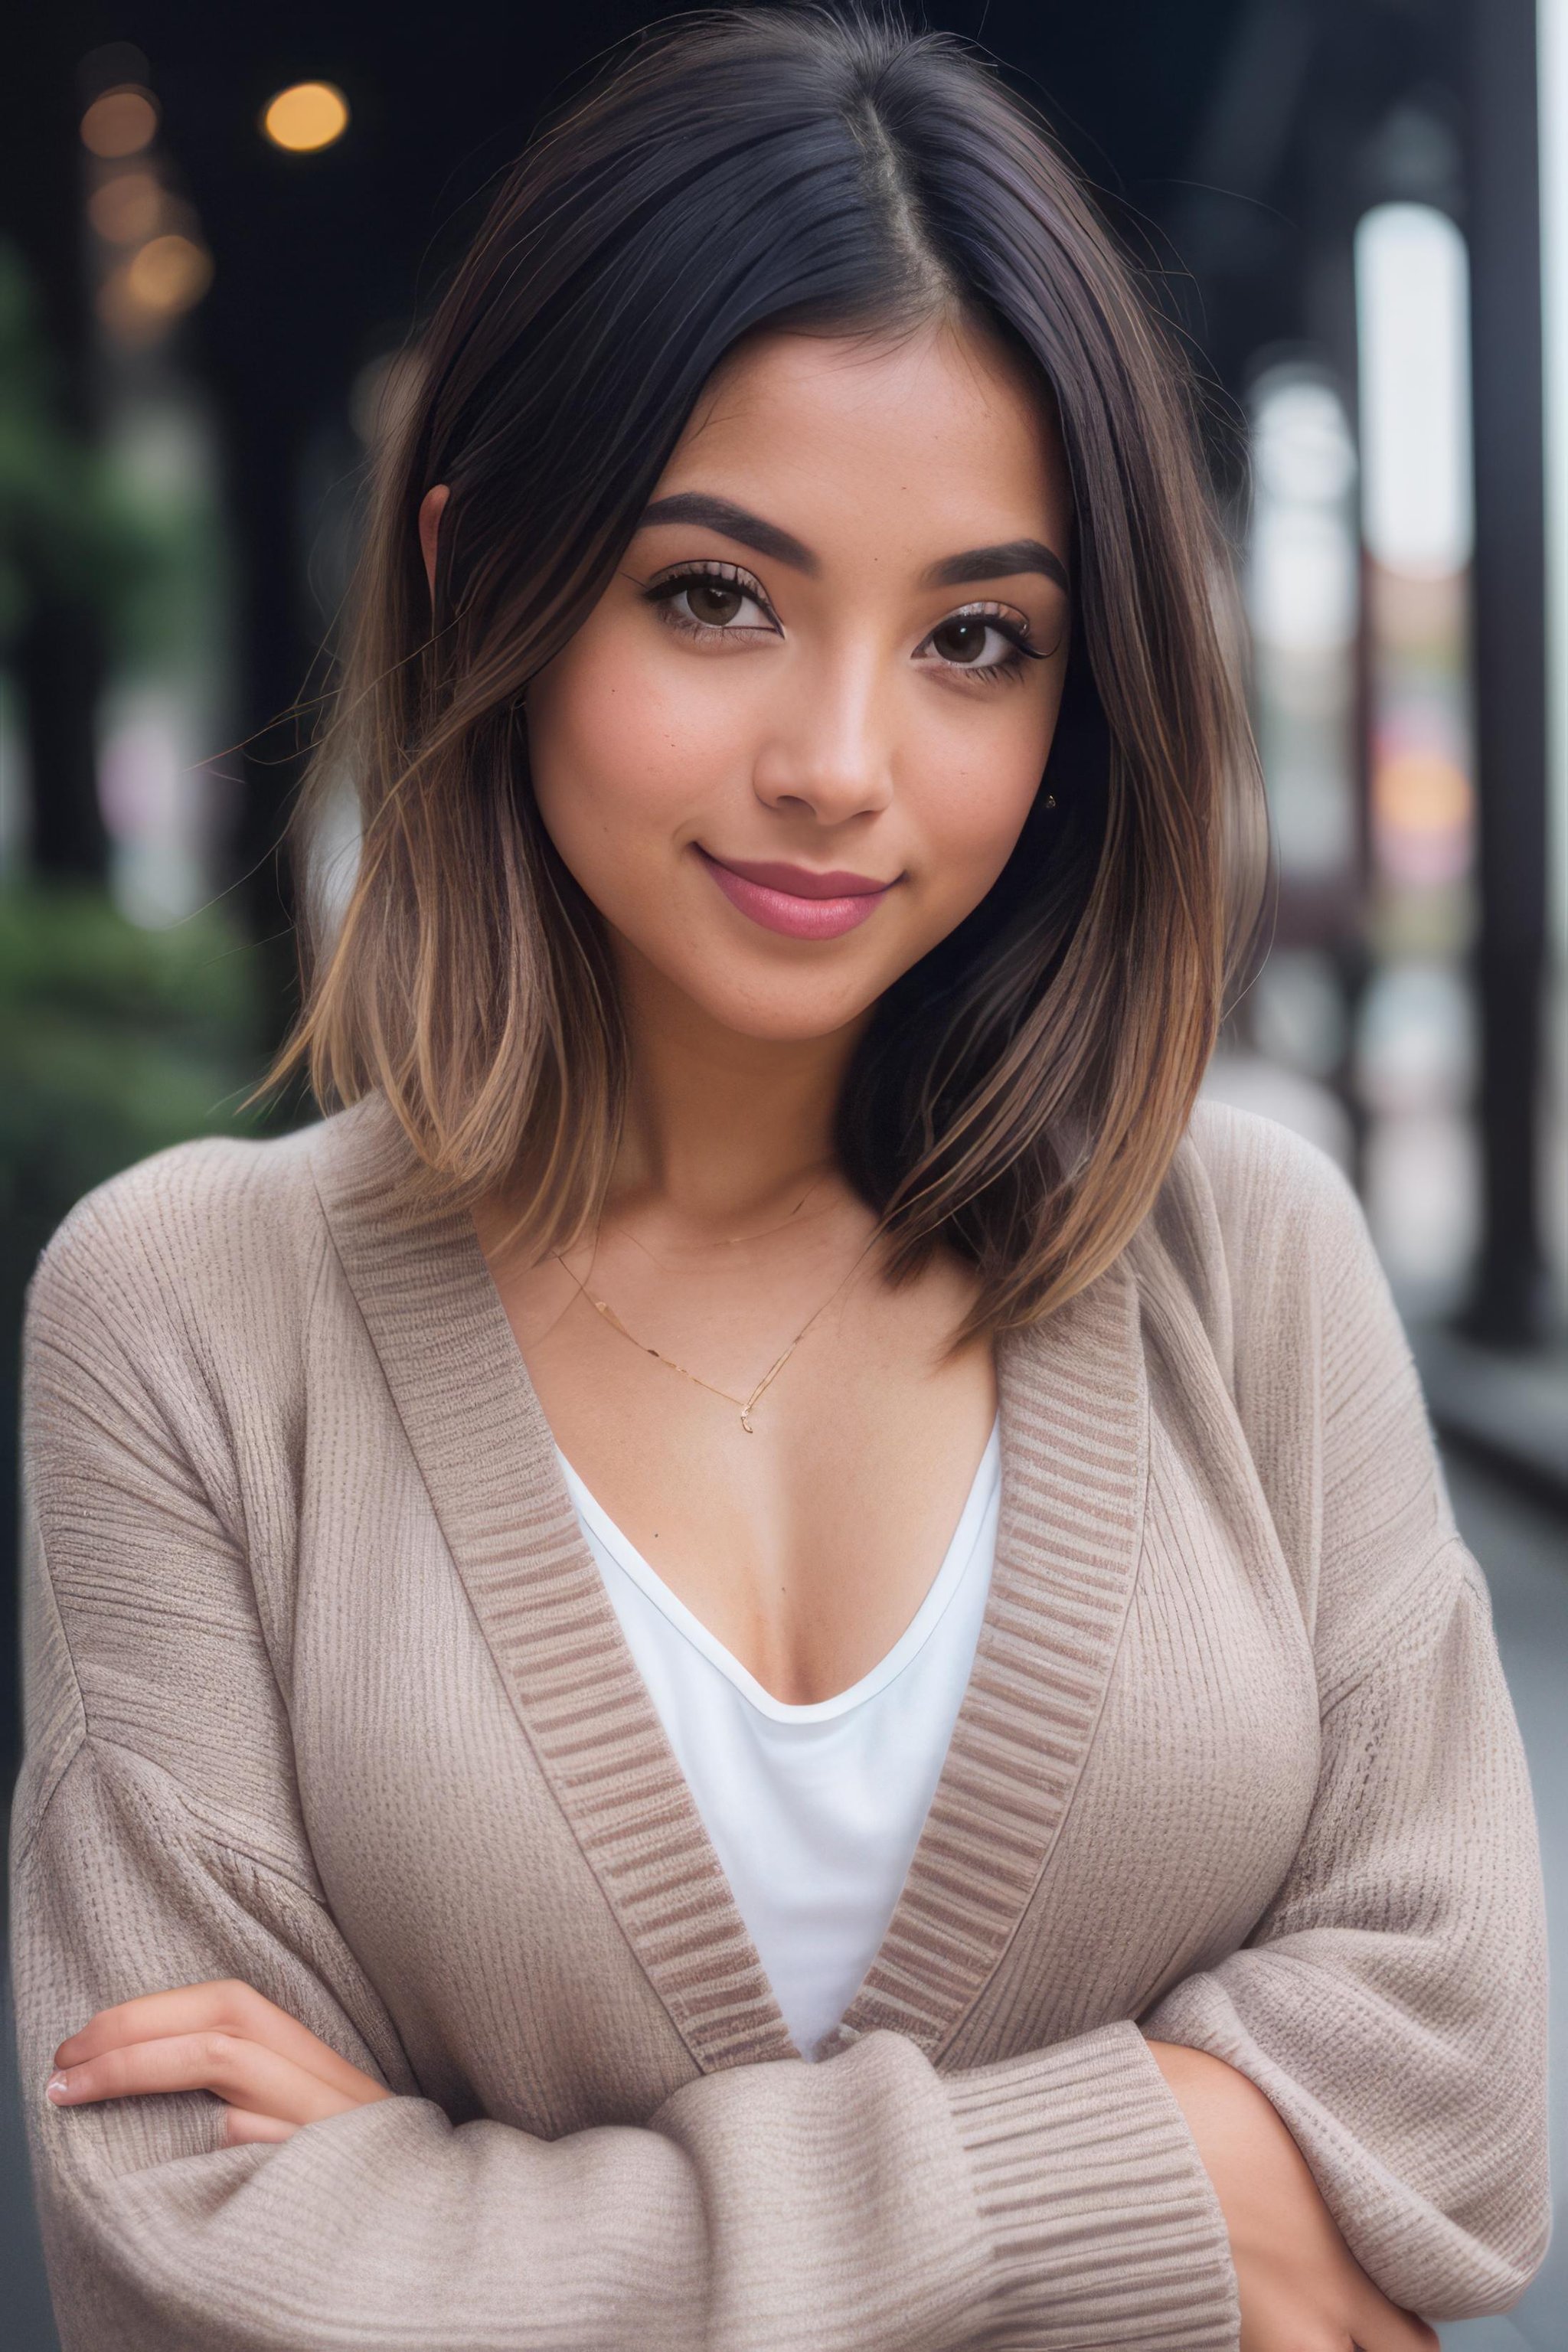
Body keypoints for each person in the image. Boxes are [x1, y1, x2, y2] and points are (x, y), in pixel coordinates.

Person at [10, 8, 1550, 2349]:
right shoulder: (193, 1317)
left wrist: (451, 2228)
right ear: (485, 574)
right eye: (713, 594)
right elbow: (194, 2276)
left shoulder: (1244, 1256)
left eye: (975, 639)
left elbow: (1465, 2123)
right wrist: (1175, 2198)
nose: (841, 763)